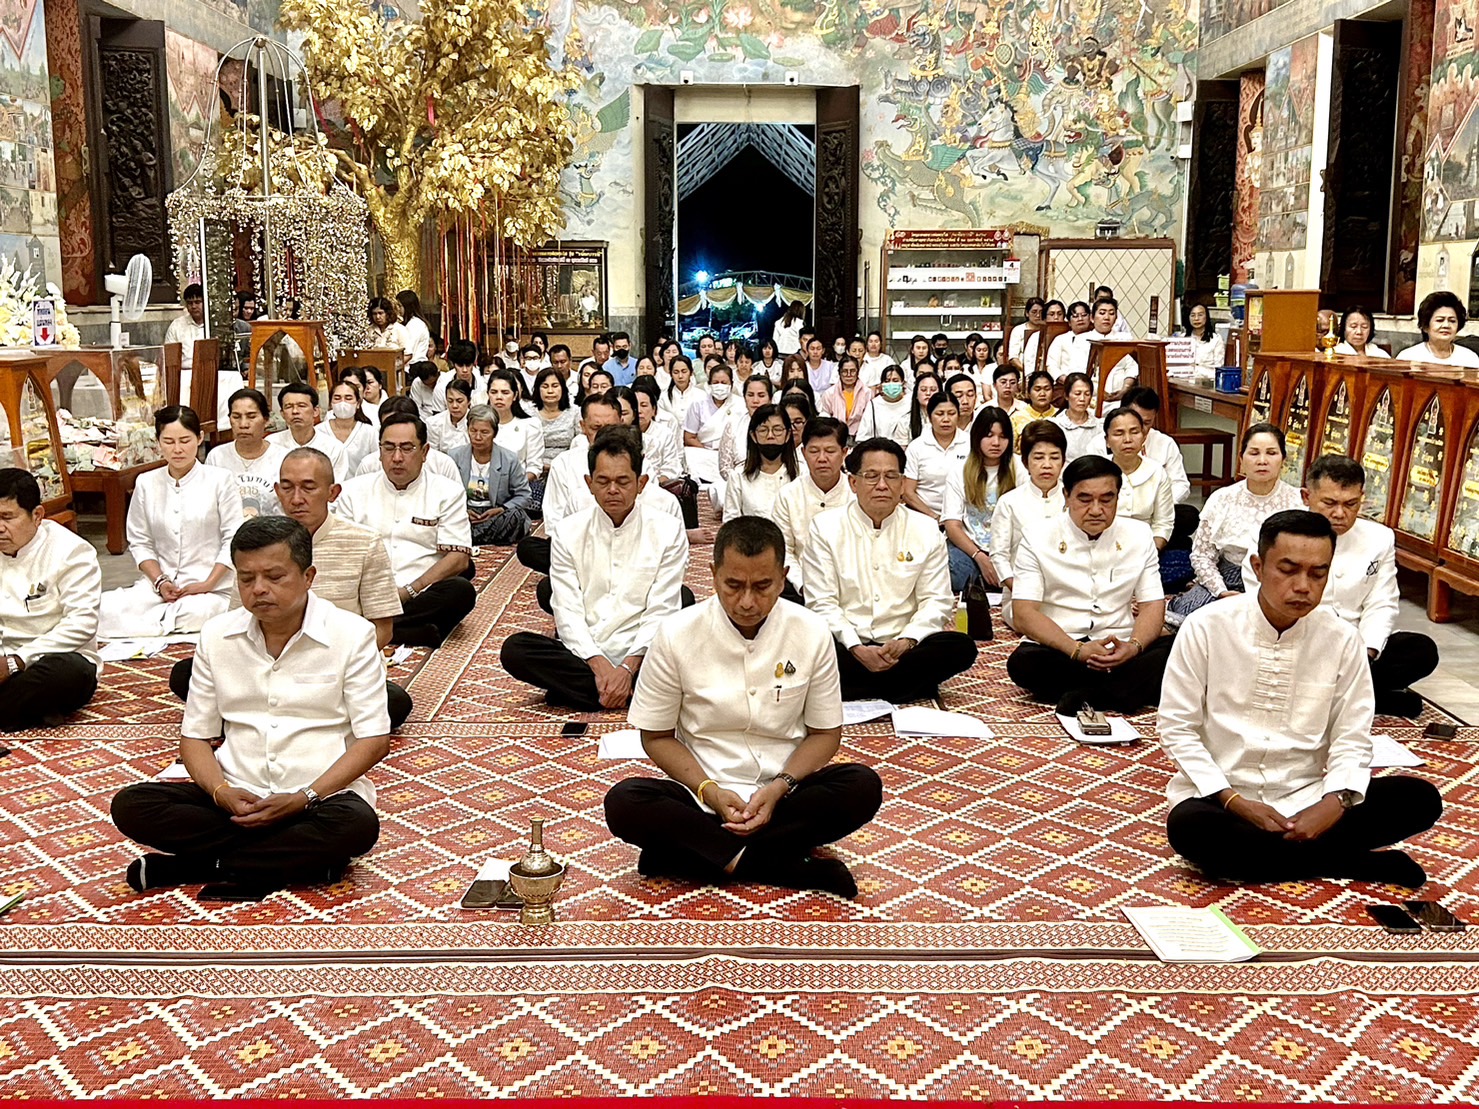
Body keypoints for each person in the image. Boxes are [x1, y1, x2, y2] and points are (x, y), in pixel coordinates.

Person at [1158, 509, 1443, 887]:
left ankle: (1265, 860)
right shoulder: (1206, 628)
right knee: (1189, 829)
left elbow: (1352, 738)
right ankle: (1349, 863)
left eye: (1317, 573)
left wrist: (1332, 804)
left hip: (1308, 796)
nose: (1303, 586)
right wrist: (1235, 801)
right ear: (1258, 566)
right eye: (1288, 570)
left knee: (1419, 798)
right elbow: (1177, 729)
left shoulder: (1342, 640)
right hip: (1223, 800)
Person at [111, 516, 392, 899]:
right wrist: (221, 792)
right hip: (236, 801)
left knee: (357, 826)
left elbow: (373, 740)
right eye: (246, 579)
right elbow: (195, 737)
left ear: (308, 576)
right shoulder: (216, 635)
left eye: (275, 577)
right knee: (132, 805)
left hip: (317, 799)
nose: (259, 589)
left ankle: (198, 865)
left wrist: (302, 798)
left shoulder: (352, 635)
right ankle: (300, 862)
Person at [605, 516, 882, 897]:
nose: (747, 601)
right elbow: (655, 736)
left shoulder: (811, 631)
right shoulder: (675, 634)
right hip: (701, 795)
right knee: (624, 802)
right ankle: (774, 865)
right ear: (714, 574)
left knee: (862, 786)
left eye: (762, 586)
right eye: (733, 586)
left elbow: (824, 734)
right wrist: (710, 791)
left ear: (783, 577)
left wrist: (778, 789)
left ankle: (698, 854)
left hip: (785, 796)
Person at [168, 448, 413, 729]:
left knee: (395, 702)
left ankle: (261, 716)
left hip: (334, 671)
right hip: (263, 665)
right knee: (186, 673)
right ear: (276, 491)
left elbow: (382, 629)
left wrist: (320, 663)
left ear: (333, 492)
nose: (297, 499)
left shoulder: (364, 543)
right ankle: (288, 714)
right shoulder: (256, 543)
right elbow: (236, 622)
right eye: (287, 488)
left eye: (308, 488)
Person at [502, 427, 687, 711]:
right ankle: (632, 694)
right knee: (515, 649)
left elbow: (661, 609)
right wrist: (599, 666)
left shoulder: (668, 530)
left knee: (685, 621)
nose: (612, 490)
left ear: (641, 483)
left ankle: (585, 691)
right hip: (585, 654)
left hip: (644, 655)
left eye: (623, 481)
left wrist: (627, 667)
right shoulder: (568, 532)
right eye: (603, 481)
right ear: (589, 483)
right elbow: (567, 610)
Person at [1240, 455, 1438, 718]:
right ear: (1306, 496)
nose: (1340, 513)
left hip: (1355, 648)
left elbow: (1382, 602)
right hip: (1294, 644)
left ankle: (1340, 695)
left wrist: (1365, 653)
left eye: (1351, 504)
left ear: (1362, 498)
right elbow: (1263, 605)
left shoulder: (1379, 538)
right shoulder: (1278, 534)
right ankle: (1365, 699)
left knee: (1420, 649)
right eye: (1330, 503)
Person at [803, 437, 977, 703]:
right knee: (803, 644)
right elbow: (821, 602)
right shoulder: (825, 527)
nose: (882, 485)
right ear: (853, 482)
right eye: (871, 476)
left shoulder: (925, 528)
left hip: (903, 648)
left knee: (960, 647)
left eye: (891, 476)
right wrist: (856, 646)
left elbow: (936, 601)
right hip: (846, 646)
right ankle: (902, 687)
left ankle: (856, 688)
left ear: (901, 483)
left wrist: (907, 640)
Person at [1006, 455, 1172, 713]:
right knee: (1023, 663)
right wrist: (1077, 650)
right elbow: (1024, 613)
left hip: (1122, 644)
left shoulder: (1139, 535)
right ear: (1066, 496)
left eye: (1107, 499)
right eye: (1085, 499)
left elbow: (1152, 605)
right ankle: (1125, 691)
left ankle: (1094, 695)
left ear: (1118, 497)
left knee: (1178, 647)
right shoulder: (1037, 536)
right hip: (1064, 646)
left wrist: (1134, 646)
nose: (1096, 509)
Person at [99, 407, 243, 640]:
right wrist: (159, 581)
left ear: (199, 438)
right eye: (169, 441)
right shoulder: (146, 482)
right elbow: (140, 541)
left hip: (210, 589)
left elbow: (233, 538)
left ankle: (150, 624)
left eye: (185, 440)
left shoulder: (220, 480)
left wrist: (207, 583)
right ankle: (158, 620)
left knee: (197, 612)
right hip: (158, 588)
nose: (177, 449)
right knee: (105, 606)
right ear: (158, 443)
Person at [334, 413, 476, 647]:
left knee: (461, 590)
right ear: (379, 451)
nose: (397, 457)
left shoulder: (447, 491)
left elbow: (459, 558)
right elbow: (343, 551)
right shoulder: (352, 491)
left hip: (418, 591)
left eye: (407, 448)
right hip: (366, 590)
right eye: (389, 448)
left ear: (425, 452)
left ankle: (373, 627)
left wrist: (409, 590)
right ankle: (408, 631)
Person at [1169, 423, 1303, 624]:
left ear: (1283, 459)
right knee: (1196, 621)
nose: (1262, 461)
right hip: (1227, 578)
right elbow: (1202, 555)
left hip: (1279, 583)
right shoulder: (1222, 498)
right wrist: (1221, 591)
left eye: (1272, 453)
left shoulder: (1298, 501)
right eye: (1254, 453)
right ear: (1241, 460)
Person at [0, 468, 102, 730]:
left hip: (48, 661)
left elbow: (81, 624)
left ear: (37, 515)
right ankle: (22, 711)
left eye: (7, 517)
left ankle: (16, 708)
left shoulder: (72, 552)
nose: (0, 528)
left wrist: (16, 661)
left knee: (70, 671)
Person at [990, 421, 1067, 629]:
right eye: (1038, 457)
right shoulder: (1009, 502)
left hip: (1069, 592)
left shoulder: (1075, 500)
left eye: (1054, 457)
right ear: (1025, 462)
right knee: (1035, 622)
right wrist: (1021, 589)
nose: (1047, 465)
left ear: (1063, 460)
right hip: (1021, 595)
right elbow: (998, 555)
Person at [942, 406, 1027, 592]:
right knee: (958, 573)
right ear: (977, 437)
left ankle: (989, 582)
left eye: (1003, 436)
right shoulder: (960, 470)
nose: (996, 442)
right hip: (972, 547)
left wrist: (1001, 560)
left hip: (1009, 547)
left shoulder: (1019, 467)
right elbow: (952, 525)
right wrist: (979, 557)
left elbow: (1026, 521)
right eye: (989, 435)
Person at [773, 416, 852, 594]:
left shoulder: (856, 493)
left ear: (844, 452)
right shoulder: (788, 495)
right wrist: (802, 585)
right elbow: (784, 550)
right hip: (801, 581)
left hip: (851, 582)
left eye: (830, 451)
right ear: (803, 453)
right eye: (814, 451)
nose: (822, 458)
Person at [449, 405, 534, 546]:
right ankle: (481, 535)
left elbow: (524, 495)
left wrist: (501, 509)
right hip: (464, 513)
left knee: (516, 517)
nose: (477, 437)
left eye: (484, 432)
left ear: (494, 433)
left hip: (496, 513)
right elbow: (444, 494)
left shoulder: (509, 458)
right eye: (473, 431)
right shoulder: (454, 456)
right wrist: (463, 511)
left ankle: (470, 537)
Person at [206, 388, 289, 517]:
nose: (243, 424)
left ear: (266, 420)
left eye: (251, 417)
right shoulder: (217, 457)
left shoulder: (283, 458)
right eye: (236, 417)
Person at [1103, 407, 1174, 550]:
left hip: (1145, 547)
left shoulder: (1156, 472)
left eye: (1134, 432)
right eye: (1119, 433)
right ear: (1107, 441)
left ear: (1143, 437)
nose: (1128, 440)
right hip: (1103, 545)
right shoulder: (1097, 471)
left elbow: (1163, 523)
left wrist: (1151, 554)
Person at [1046, 298, 1137, 398]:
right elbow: (1077, 371)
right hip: (1090, 397)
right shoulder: (1081, 340)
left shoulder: (1125, 339)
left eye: (1111, 313)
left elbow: (1132, 368)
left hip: (1120, 396)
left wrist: (1124, 390)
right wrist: (1097, 392)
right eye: (1102, 313)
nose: (1106, 317)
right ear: (1092, 318)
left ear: (1116, 318)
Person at [903, 391, 969, 522]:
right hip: (923, 517)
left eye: (951, 414)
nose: (946, 419)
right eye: (939, 414)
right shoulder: (917, 447)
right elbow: (907, 492)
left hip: (964, 516)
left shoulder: (971, 443)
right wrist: (933, 517)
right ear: (929, 416)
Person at [723, 404, 798, 521]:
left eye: (777, 430)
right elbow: (731, 522)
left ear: (788, 435)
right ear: (753, 435)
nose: (770, 436)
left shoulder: (802, 473)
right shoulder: (738, 476)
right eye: (763, 430)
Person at [266, 383, 348, 482]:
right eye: (288, 407)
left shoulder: (333, 448)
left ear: (315, 411)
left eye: (302, 406)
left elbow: (335, 486)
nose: (295, 411)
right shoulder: (271, 444)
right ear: (282, 414)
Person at [484, 368, 542, 483]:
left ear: (515, 395)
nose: (499, 397)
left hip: (518, 487)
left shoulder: (530, 425)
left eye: (505, 392)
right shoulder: (479, 425)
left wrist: (514, 485)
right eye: (494, 392)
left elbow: (534, 467)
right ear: (488, 394)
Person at [1397, 291, 1479, 365]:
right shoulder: (1408, 357)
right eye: (1440, 320)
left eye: (1452, 321)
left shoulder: (1470, 358)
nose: (1446, 325)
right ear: (1425, 326)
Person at [632, 375, 685, 483]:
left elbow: (671, 467)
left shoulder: (665, 433)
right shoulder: (622, 432)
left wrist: (653, 485)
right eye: (635, 406)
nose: (639, 411)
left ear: (654, 410)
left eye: (644, 405)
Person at [321, 378, 378, 474]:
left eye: (348, 398)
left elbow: (377, 463)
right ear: (331, 403)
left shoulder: (369, 433)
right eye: (337, 398)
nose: (342, 403)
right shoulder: (319, 431)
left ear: (358, 403)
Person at [1052, 371, 1105, 462]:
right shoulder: (1054, 426)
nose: (1082, 399)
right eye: (1077, 393)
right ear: (1066, 396)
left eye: (1087, 394)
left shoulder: (1100, 426)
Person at [856, 365, 912, 446]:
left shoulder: (910, 403)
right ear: (881, 384)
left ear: (903, 383)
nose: (891, 384)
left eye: (895, 380)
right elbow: (863, 436)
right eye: (887, 381)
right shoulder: (873, 405)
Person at [819, 356, 871, 439]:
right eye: (845, 371)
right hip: (835, 436)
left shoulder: (867, 393)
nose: (849, 375)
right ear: (839, 372)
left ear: (858, 372)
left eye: (853, 371)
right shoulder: (829, 393)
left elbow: (868, 419)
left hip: (860, 436)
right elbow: (825, 416)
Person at [165, 283, 206, 376]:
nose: (194, 306)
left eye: (197, 302)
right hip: (183, 375)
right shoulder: (176, 325)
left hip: (208, 372)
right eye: (190, 303)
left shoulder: (213, 325)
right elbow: (170, 357)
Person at [425, 376, 473, 455]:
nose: (454, 406)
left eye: (459, 401)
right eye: (450, 401)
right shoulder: (434, 423)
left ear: (469, 401)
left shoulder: (476, 422)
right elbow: (433, 455)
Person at [1182, 303, 1223, 371]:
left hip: (1208, 378)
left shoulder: (1216, 339)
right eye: (1193, 315)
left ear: (1206, 317)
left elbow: (1219, 367)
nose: (1196, 318)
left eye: (1200, 315)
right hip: (1184, 378)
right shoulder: (1182, 339)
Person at [1006, 297, 1044, 370]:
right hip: (1023, 370)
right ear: (1027, 313)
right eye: (1034, 312)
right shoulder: (1018, 330)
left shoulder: (1047, 330)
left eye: (1041, 312)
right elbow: (1013, 358)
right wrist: (1026, 371)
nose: (1038, 315)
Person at [395, 290, 432, 364]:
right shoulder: (409, 323)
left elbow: (409, 350)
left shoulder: (415, 324)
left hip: (415, 366)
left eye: (400, 306)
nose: (398, 309)